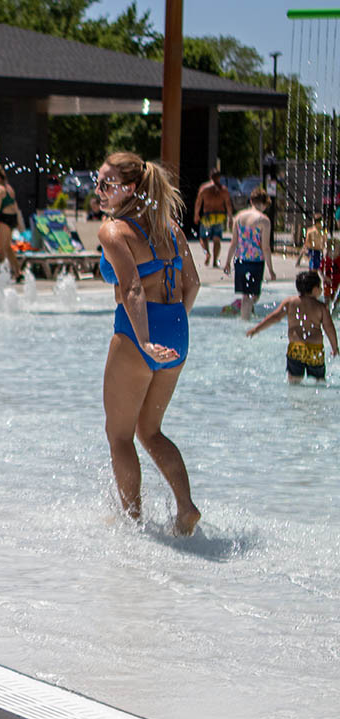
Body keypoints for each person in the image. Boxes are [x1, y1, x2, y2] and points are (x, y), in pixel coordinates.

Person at [96, 151, 201, 536]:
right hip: (177, 330)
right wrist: (172, 327)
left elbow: (132, 288)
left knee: (120, 434)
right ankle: (185, 507)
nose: (99, 189)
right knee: (150, 431)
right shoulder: (170, 227)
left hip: (140, 332)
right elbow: (193, 284)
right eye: (99, 181)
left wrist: (145, 339)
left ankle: (133, 524)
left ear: (131, 188)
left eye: (107, 183)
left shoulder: (114, 231)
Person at [246, 270, 338, 383]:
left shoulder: (290, 302)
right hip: (315, 349)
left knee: (294, 380)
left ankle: (295, 400)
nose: (322, 289)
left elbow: (275, 317)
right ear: (314, 289)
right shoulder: (321, 307)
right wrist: (335, 347)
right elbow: (329, 328)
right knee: (318, 380)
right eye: (320, 287)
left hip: (296, 347)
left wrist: (257, 329)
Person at [223, 187, 276, 321]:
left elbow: (233, 243)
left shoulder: (238, 217)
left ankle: (244, 312)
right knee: (253, 295)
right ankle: (245, 319)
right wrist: (270, 269)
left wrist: (227, 262)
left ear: (251, 200)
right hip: (256, 261)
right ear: (264, 203)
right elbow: (265, 247)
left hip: (240, 260)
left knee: (247, 294)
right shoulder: (264, 220)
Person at [193, 169, 233, 267]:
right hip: (219, 216)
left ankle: (207, 253)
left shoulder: (204, 188)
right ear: (219, 177)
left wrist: (196, 214)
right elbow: (228, 204)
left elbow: (198, 202)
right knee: (217, 239)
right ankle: (215, 261)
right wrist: (230, 218)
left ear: (210, 176)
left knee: (203, 237)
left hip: (208, 216)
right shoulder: (224, 190)